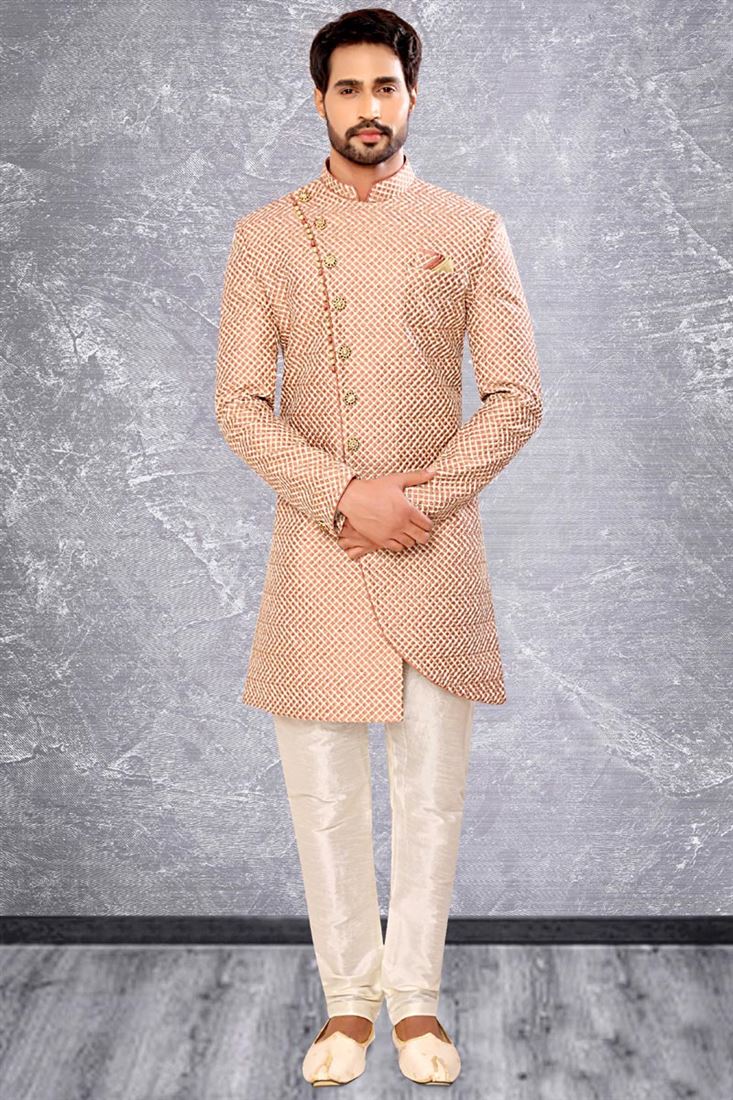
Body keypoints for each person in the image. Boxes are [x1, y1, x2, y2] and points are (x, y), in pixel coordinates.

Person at [215, 6, 543, 1086]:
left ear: (410, 98)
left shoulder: (470, 228)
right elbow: (238, 404)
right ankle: (347, 1004)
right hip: (318, 548)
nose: (369, 108)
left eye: (386, 88)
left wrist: (418, 502)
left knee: (430, 793)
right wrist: (344, 494)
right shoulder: (267, 236)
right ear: (320, 100)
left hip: (432, 548)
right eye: (348, 88)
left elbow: (516, 395)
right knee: (323, 793)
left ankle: (416, 1003)